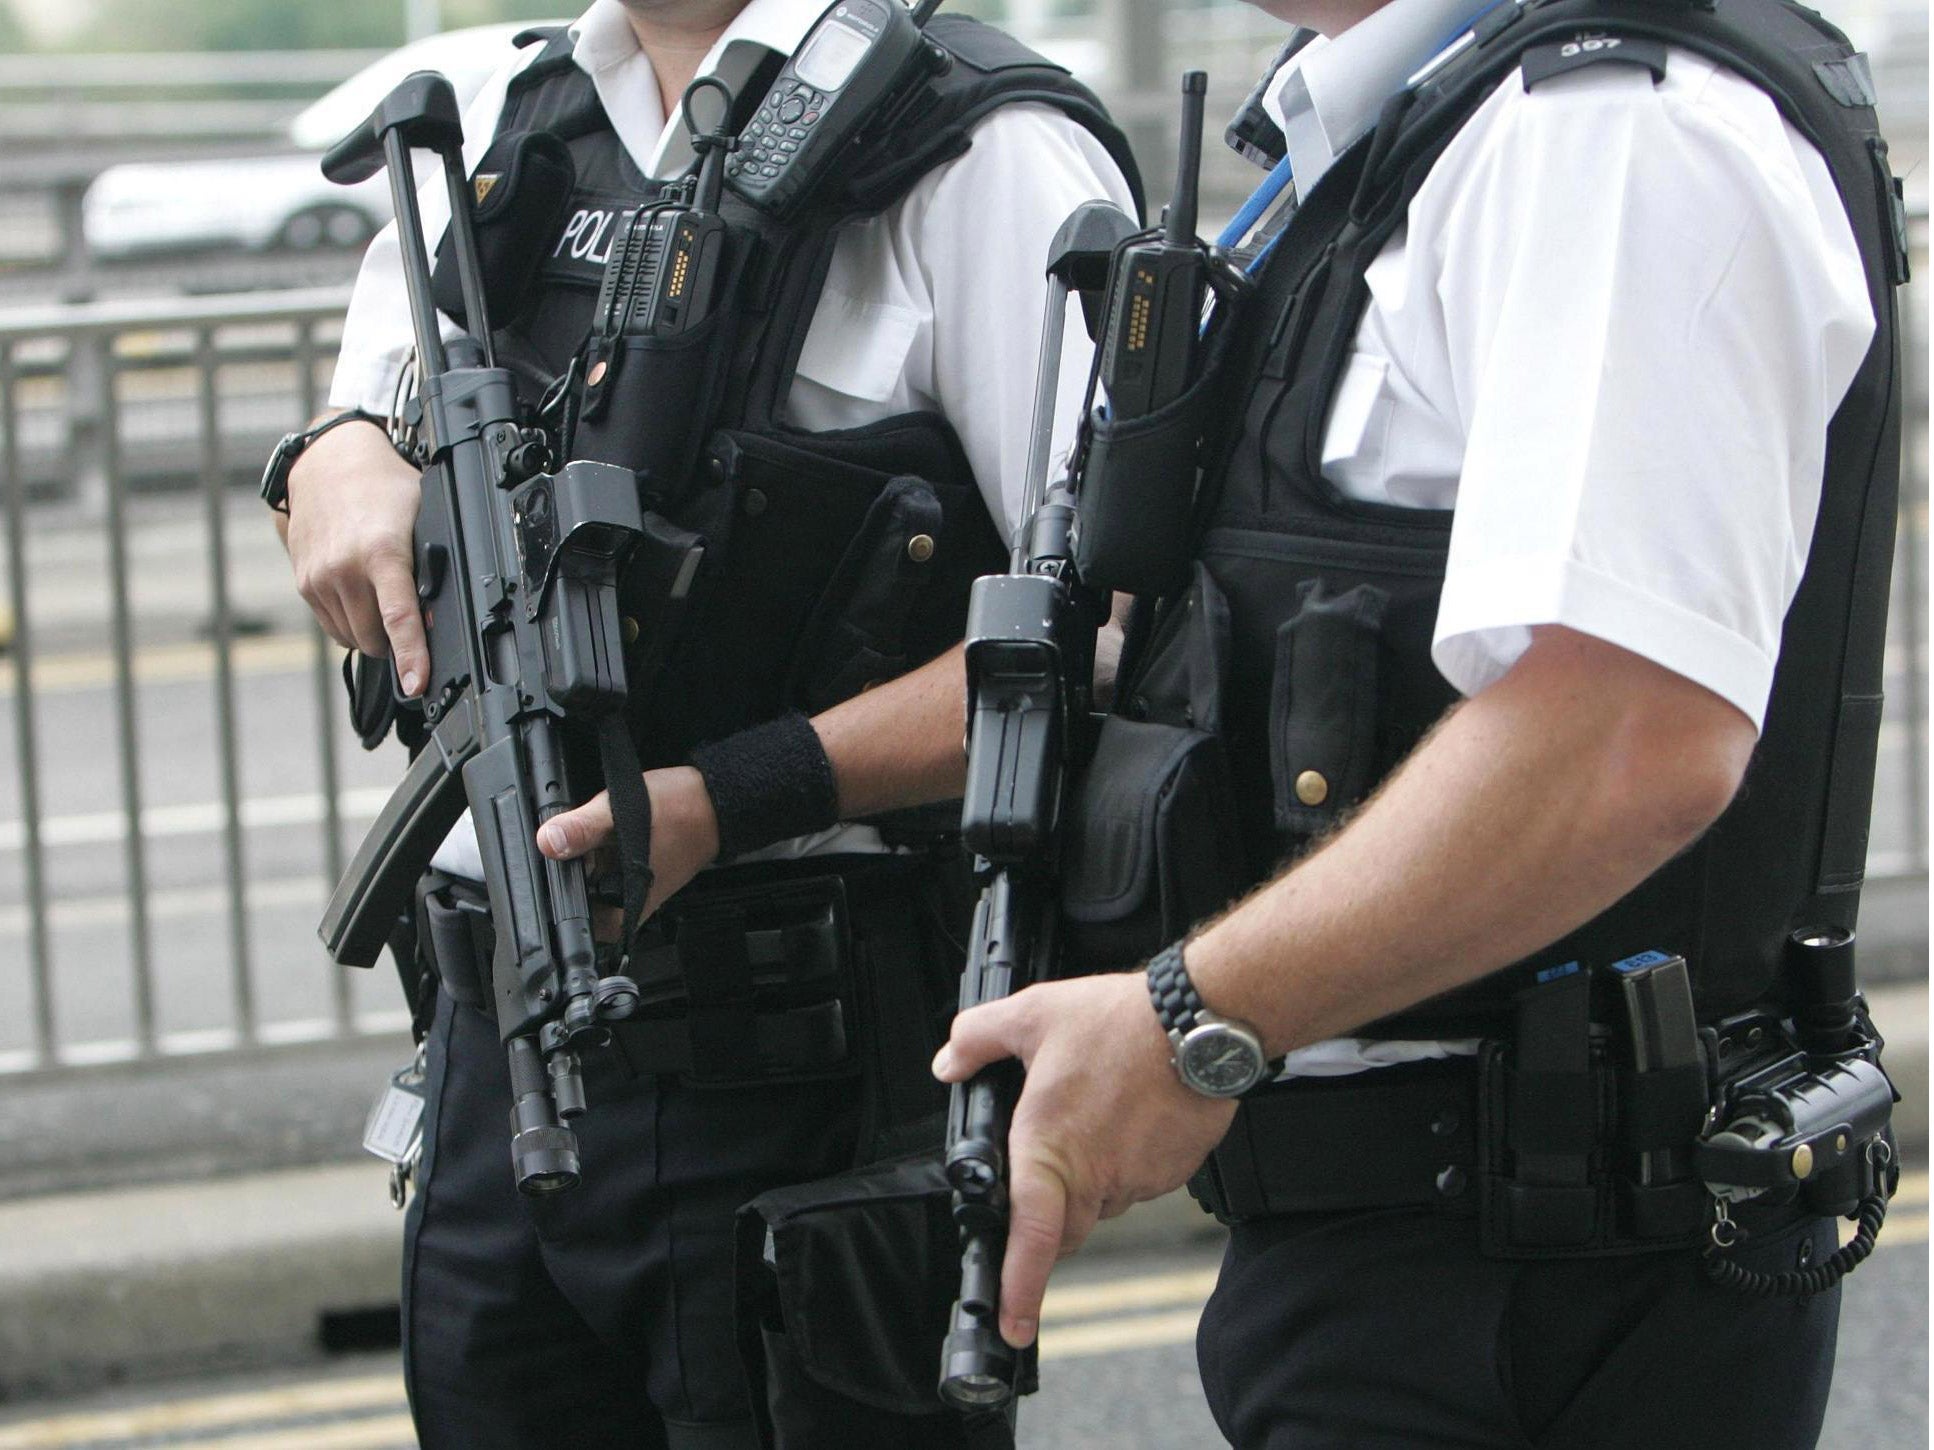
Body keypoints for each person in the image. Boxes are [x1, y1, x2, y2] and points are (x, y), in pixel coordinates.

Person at [933, 0, 1906, 1442]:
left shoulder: (1609, 134)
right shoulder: (1418, 128)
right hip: (1418, 1254)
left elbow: (1629, 732)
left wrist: (1191, 1018)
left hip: (1530, 1291)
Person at [271, 0, 1138, 1445]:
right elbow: (382, 389)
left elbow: (1105, 624)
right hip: (501, 1061)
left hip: (798, 1062)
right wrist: (329, 457)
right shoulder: (499, 119)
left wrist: (731, 793)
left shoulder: (984, 151)